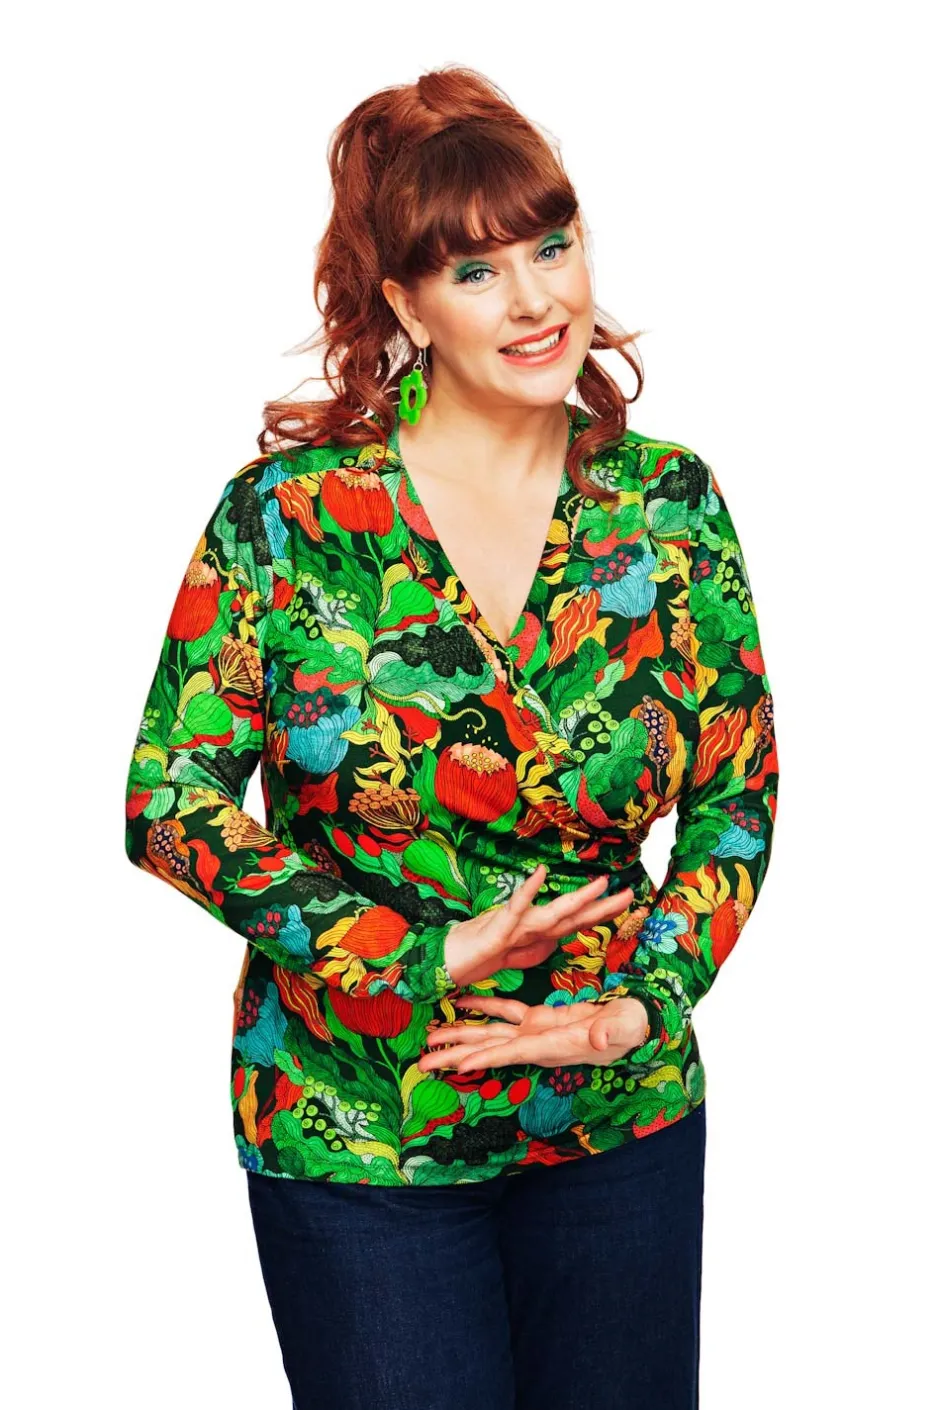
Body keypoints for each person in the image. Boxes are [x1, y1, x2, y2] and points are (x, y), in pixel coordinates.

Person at [124, 63, 778, 1410]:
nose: (536, 300)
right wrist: (415, 953)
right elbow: (169, 799)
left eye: (552, 247)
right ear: (406, 306)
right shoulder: (288, 519)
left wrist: (638, 1007)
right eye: (477, 272)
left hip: (620, 1116)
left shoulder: (667, 505)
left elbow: (738, 791)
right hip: (362, 1129)